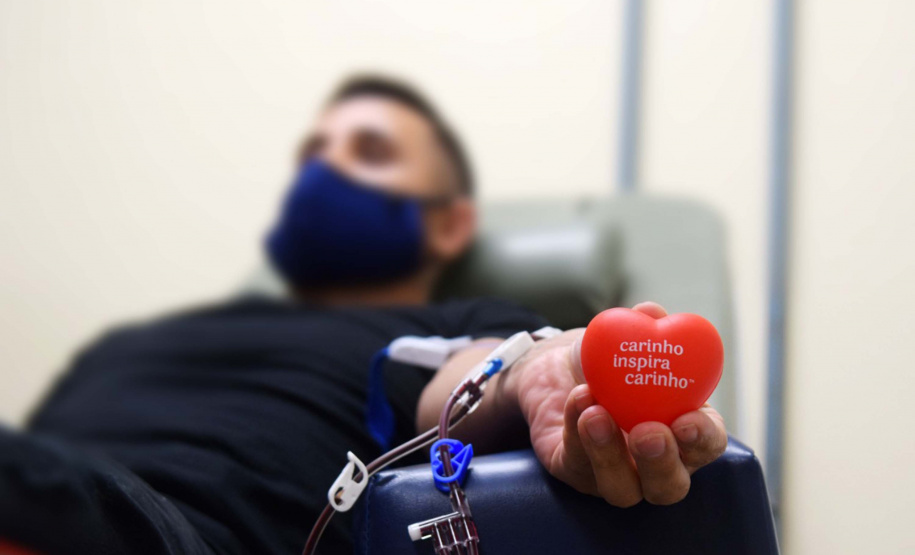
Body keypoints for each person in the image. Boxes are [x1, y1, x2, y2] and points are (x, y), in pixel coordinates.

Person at [0, 76, 727, 555]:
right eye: (314, 153)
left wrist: (538, 371)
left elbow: (474, 377)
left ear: (448, 224)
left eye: (368, 152)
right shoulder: (131, 343)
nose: (323, 172)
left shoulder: (445, 323)